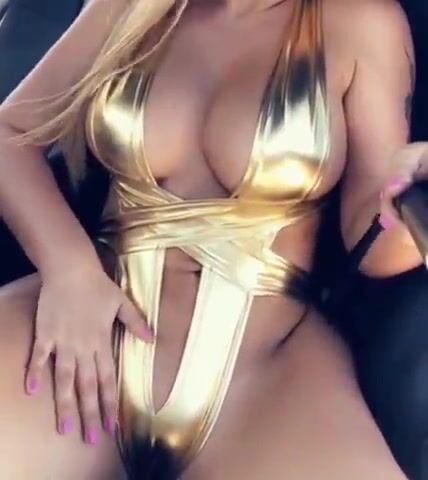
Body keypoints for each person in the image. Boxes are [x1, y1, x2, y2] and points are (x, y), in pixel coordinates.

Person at [0, 0, 424, 478]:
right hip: (88, 336)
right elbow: (8, 132)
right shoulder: (130, 6)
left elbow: (373, 240)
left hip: (265, 376)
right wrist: (71, 272)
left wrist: (409, 206)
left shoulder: (362, 21)